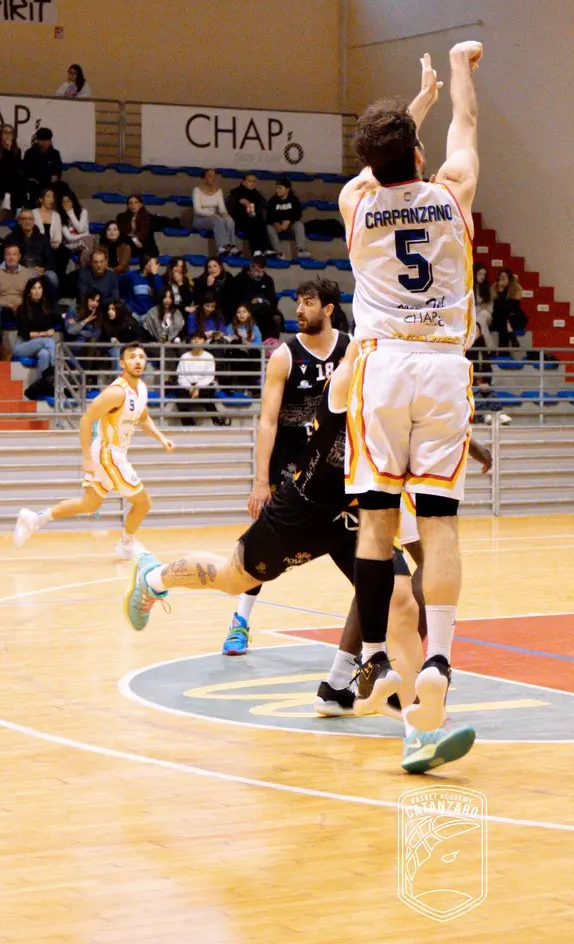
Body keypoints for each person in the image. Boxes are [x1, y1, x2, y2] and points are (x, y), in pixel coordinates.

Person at [123, 341, 487, 773]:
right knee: (231, 576)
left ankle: (420, 732)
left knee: (402, 603)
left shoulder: (400, 400)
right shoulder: (351, 377)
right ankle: (155, 576)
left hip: (361, 517)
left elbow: (431, 418)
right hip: (302, 511)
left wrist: (470, 443)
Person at [337, 44, 480, 771]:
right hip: (444, 368)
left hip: (383, 368)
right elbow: (467, 130)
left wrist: (411, 106)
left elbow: (380, 156)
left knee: (376, 521)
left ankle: (374, 660)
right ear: (419, 155)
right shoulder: (451, 193)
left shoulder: (355, 205)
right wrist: (458, 71)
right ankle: (439, 665)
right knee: (442, 523)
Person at [222, 278, 349, 655]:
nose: (298, 309)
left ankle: (374, 632)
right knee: (267, 536)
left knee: (356, 539)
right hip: (290, 456)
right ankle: (240, 620)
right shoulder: (284, 355)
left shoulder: (351, 349)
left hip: (336, 459)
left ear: (328, 309)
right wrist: (260, 481)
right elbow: (268, 421)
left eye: (308, 302)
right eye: (297, 301)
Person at [14, 343, 175, 559]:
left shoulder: (142, 389)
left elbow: (143, 417)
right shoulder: (116, 392)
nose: (138, 361)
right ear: (122, 363)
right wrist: (87, 457)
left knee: (89, 503)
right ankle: (127, 544)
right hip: (108, 453)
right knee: (143, 502)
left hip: (113, 453)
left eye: (141, 357)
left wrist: (161, 438)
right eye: (132, 357)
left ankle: (35, 519)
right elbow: (86, 418)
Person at [174, 332, 226, 426]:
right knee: (180, 400)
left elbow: (209, 377)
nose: (196, 341)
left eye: (199, 338)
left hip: (203, 386)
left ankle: (218, 420)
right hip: (188, 386)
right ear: (190, 341)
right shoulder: (184, 356)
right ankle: (190, 426)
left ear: (204, 342)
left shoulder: (209, 357)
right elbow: (181, 376)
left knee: (208, 394)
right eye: (194, 338)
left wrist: (197, 388)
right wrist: (190, 388)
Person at [0, 242, 31, 344]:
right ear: (4, 256)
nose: (11, 257)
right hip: (2, 308)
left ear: (19, 257)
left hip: (20, 308)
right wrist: (9, 305)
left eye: (14, 254)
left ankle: (27, 342)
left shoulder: (27, 273)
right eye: (8, 254)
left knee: (31, 308)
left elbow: (30, 295)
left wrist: (19, 305)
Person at [12, 277, 60, 376]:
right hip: (22, 346)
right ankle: (57, 370)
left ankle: (42, 384)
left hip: (39, 346)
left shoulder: (45, 307)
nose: (37, 291)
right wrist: (44, 333)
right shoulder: (23, 308)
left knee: (44, 354)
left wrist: (50, 330)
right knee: (46, 341)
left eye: (39, 288)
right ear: (29, 291)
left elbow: (50, 325)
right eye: (34, 288)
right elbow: (24, 333)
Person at [7, 210, 58, 296]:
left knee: (52, 276)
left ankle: (50, 306)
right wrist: (26, 270)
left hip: (40, 270)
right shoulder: (11, 238)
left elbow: (51, 261)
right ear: (19, 221)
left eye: (30, 219)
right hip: (21, 270)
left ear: (34, 221)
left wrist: (43, 269)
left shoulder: (43, 239)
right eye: (24, 219)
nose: (27, 222)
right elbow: (9, 261)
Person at [192, 169, 237, 256]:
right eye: (210, 176)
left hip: (215, 217)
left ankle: (232, 247)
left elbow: (222, 209)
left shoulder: (218, 190)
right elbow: (197, 210)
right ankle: (222, 246)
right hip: (200, 219)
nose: (212, 178)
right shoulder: (197, 190)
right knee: (217, 219)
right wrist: (212, 215)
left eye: (214, 176)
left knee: (229, 220)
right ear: (204, 178)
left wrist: (226, 215)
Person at [228, 172, 271, 255]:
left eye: (253, 182)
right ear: (243, 182)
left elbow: (264, 202)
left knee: (261, 222)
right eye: (249, 181)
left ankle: (266, 248)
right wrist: (241, 200)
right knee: (253, 222)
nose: (252, 183)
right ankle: (255, 250)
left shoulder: (255, 192)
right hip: (240, 220)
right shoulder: (236, 191)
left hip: (252, 218)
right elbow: (234, 194)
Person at [267, 176, 309, 257]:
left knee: (299, 224)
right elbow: (269, 216)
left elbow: (297, 214)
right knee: (269, 227)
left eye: (280, 188)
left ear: (287, 189)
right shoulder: (273, 200)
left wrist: (288, 221)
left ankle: (301, 250)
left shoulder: (294, 199)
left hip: (290, 225)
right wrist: (276, 223)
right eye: (276, 188)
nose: (277, 190)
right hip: (277, 226)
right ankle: (279, 253)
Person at [489, 268, 527, 348]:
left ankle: (503, 350)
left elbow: (513, 307)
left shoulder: (515, 288)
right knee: (502, 318)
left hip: (514, 317)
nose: (502, 279)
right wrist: (500, 290)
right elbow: (496, 308)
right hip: (498, 317)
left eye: (505, 277)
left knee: (505, 318)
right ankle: (512, 338)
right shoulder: (494, 288)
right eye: (501, 276)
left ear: (509, 278)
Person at [57, 187, 92, 268]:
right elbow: (69, 238)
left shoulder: (83, 211)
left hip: (85, 244)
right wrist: (85, 235)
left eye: (68, 201)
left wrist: (70, 212)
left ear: (73, 201)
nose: (66, 204)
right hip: (70, 246)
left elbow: (80, 229)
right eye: (63, 202)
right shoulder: (60, 217)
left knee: (88, 244)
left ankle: (85, 270)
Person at [116, 194, 158, 259]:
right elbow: (123, 233)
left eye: (136, 203)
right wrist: (134, 239)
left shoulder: (148, 218)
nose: (133, 205)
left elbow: (146, 236)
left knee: (147, 248)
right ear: (127, 205)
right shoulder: (122, 217)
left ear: (141, 205)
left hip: (142, 245)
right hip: (129, 244)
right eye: (130, 203)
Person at [120, 253, 162, 318]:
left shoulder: (156, 278)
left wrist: (155, 274)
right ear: (146, 265)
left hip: (149, 315)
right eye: (155, 264)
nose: (157, 266)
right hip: (134, 314)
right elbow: (117, 284)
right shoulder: (131, 276)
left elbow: (160, 293)